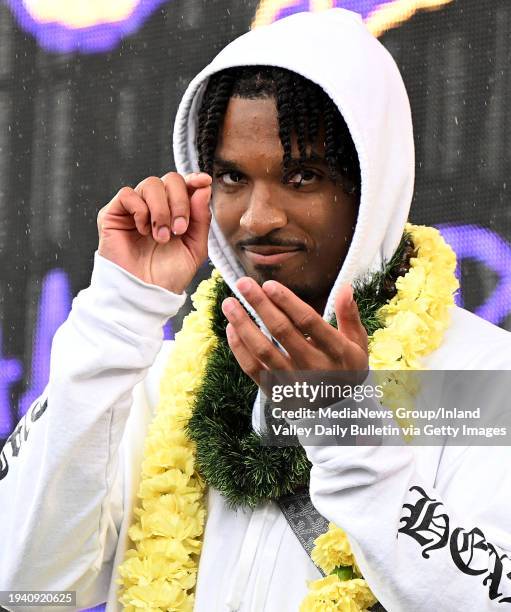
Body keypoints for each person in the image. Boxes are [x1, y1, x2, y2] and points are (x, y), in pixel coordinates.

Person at [1, 8, 511, 611]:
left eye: (301, 176)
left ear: (372, 187)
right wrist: (119, 312)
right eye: (232, 178)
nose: (257, 218)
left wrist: (349, 436)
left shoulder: (482, 382)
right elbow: (28, 588)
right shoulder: (161, 379)